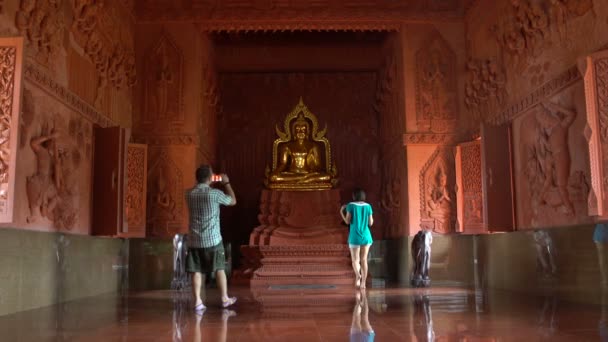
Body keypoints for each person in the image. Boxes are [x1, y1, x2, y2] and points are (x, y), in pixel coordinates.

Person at [185, 165, 237, 313]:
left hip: (194, 240)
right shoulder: (215, 194)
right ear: (210, 178)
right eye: (212, 175)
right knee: (220, 268)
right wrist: (226, 182)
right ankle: (224, 298)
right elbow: (233, 201)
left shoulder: (188, 194)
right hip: (213, 239)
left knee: (196, 270)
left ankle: (197, 302)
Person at [269, 114, 331, 184]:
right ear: (293, 132)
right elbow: (283, 164)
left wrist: (312, 171)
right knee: (273, 178)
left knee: (327, 177)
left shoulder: (313, 146)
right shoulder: (287, 146)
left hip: (308, 174)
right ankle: (303, 180)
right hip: (292, 174)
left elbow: (318, 165)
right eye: (297, 129)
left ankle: (301, 180)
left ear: (307, 131)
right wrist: (276, 172)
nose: (300, 132)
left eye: (303, 129)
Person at [340, 188, 374, 289]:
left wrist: (341, 212)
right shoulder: (368, 206)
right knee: (364, 260)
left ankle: (358, 276)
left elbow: (347, 221)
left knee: (355, 260)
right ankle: (363, 283)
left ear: (354, 196)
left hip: (354, 236)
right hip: (366, 236)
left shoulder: (350, 205)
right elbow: (370, 223)